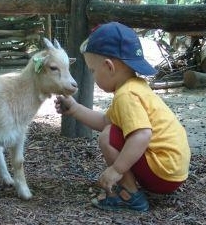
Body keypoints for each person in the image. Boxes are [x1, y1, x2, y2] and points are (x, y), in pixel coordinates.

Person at [54, 22, 191, 212]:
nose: (93, 77)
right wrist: (75, 109)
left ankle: (130, 195)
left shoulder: (126, 96)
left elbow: (142, 134)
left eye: (93, 70)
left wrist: (116, 170)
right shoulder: (135, 87)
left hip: (163, 172)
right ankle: (130, 187)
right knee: (112, 131)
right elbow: (105, 121)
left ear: (109, 67)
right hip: (172, 171)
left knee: (107, 137)